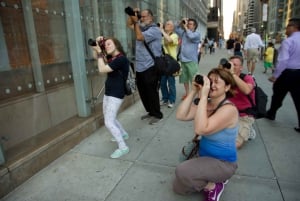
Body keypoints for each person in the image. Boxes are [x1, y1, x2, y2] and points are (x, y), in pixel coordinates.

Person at [173, 68, 238, 201]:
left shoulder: (229, 110)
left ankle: (215, 184)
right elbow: (181, 115)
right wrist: (194, 91)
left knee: (182, 171)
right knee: (178, 189)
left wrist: (203, 96)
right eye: (210, 81)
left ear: (227, 87)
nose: (212, 85)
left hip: (223, 163)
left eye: (216, 82)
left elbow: (201, 129)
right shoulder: (207, 105)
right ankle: (209, 178)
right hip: (203, 156)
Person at [91, 36, 130, 159]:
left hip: (116, 93)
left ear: (116, 45)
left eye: (109, 44)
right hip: (109, 92)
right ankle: (123, 134)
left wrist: (99, 52)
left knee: (108, 121)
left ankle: (123, 147)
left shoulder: (121, 59)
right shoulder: (112, 57)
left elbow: (102, 69)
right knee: (110, 117)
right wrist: (96, 47)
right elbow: (97, 58)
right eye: (105, 44)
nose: (106, 46)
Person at [126, 8, 163, 125]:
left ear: (151, 17)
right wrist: (132, 15)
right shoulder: (141, 27)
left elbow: (139, 37)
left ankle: (157, 114)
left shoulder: (155, 30)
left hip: (150, 66)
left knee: (152, 91)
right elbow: (129, 25)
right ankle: (151, 112)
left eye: (144, 16)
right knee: (143, 91)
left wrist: (136, 22)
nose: (142, 18)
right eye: (140, 16)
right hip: (140, 66)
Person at [266, 17, 300, 133]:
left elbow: (283, 61)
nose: (286, 29)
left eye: (288, 27)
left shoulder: (288, 41)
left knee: (277, 94)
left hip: (287, 73)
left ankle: (271, 113)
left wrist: (275, 75)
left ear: (294, 27)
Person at [223, 55, 256, 149]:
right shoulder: (225, 79)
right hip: (227, 113)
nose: (232, 67)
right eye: (230, 64)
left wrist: (233, 74)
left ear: (241, 67)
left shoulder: (248, 78)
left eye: (235, 65)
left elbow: (247, 90)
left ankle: (249, 130)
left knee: (235, 145)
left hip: (243, 115)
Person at [175, 18, 201, 100]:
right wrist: (180, 22)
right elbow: (176, 28)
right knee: (184, 79)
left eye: (190, 24)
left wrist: (185, 27)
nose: (188, 25)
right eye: (188, 23)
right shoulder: (183, 33)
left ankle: (199, 96)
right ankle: (187, 94)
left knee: (194, 79)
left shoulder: (197, 34)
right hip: (183, 60)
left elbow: (190, 36)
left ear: (194, 26)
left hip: (191, 61)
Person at [159, 20, 179, 108]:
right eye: (165, 24)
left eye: (168, 24)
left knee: (171, 83)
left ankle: (172, 100)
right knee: (163, 83)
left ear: (172, 27)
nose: (166, 25)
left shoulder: (174, 35)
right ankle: (165, 98)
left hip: (171, 63)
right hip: (163, 63)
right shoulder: (162, 36)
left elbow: (169, 41)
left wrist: (162, 30)